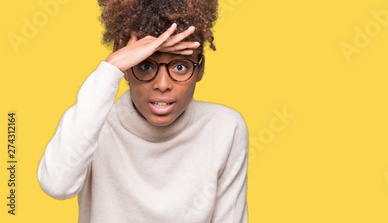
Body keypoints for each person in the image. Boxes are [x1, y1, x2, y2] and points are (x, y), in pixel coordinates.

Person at [37, 0, 248, 222]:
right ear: (127, 68)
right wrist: (111, 68)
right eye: (145, 66)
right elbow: (57, 185)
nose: (163, 84)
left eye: (180, 67)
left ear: (200, 69)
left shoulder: (225, 127)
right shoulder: (93, 124)